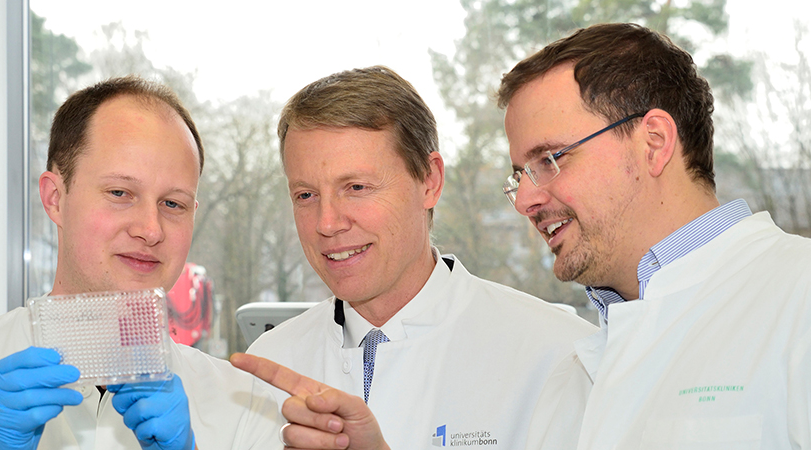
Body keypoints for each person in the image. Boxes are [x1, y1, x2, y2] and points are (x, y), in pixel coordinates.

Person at [0, 76, 283, 450]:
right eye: (120, 193)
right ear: (55, 198)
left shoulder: (248, 407)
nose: (151, 229)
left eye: (173, 203)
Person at [244, 66, 597, 449]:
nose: (327, 223)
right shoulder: (268, 364)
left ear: (430, 181)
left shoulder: (560, 355)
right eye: (306, 195)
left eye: (357, 187)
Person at [497, 23, 811, 449]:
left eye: (550, 159)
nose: (525, 201)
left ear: (655, 142)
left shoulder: (799, 297)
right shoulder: (567, 382)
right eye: (520, 175)